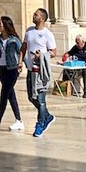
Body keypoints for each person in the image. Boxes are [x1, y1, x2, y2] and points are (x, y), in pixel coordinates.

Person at [19, 8, 56, 137]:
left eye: (36, 15)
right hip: (30, 69)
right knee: (31, 97)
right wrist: (20, 62)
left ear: (42, 18)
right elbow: (23, 47)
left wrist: (42, 55)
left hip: (40, 71)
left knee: (40, 99)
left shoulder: (47, 34)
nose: (33, 16)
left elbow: (53, 52)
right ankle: (47, 116)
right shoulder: (29, 31)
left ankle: (40, 124)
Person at [0, 16, 23, 132]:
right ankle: (19, 120)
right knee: (10, 95)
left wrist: (21, 63)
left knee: (4, 94)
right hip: (2, 68)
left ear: (5, 26)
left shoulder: (14, 39)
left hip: (12, 69)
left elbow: (21, 51)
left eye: (0, 24)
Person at [64, 35, 86, 99]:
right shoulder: (76, 47)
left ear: (83, 42)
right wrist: (65, 56)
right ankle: (67, 89)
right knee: (66, 69)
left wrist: (84, 64)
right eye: (76, 42)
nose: (77, 44)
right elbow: (69, 53)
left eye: (78, 42)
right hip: (78, 65)